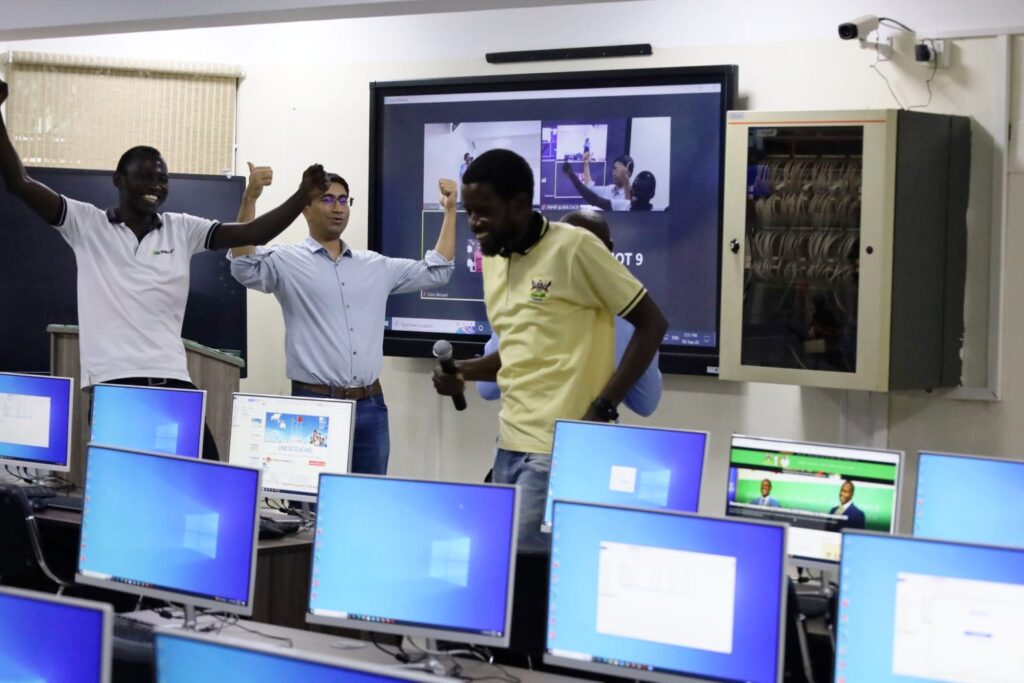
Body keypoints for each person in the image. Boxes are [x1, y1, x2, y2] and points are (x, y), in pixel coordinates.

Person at [0, 78, 328, 461]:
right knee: (127, 487)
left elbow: (254, 232)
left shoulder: (182, 229)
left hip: (174, 382)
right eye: (145, 177)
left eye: (162, 178)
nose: (156, 185)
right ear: (119, 181)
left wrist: (301, 195)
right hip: (115, 387)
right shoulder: (86, 224)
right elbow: (18, 182)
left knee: (207, 474)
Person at [433, 149, 668, 553]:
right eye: (469, 212)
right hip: (507, 447)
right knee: (508, 586)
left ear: (520, 204)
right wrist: (464, 370)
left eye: (483, 212)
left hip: (558, 453)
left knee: (527, 586)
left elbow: (652, 323)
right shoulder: (494, 258)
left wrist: (602, 410)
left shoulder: (574, 247)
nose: (474, 224)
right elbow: (524, 350)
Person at [230, 163, 457, 474]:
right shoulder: (286, 261)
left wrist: (450, 211)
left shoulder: (375, 265)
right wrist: (250, 199)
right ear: (305, 208)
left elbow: (438, 270)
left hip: (371, 405)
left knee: (367, 502)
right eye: (326, 199)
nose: (337, 207)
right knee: (309, 506)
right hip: (314, 404)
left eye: (343, 200)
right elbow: (243, 267)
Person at [476, 209, 662, 417]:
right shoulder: (631, 317)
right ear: (609, 250)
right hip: (589, 441)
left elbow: (486, 388)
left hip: (527, 440)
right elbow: (646, 403)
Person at [560, 152, 634, 211]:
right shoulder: (609, 189)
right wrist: (586, 164)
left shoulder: (632, 196)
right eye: (613, 168)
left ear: (628, 172)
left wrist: (572, 176)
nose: (613, 172)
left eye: (616, 169)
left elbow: (595, 200)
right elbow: (589, 189)